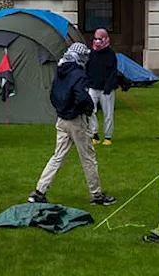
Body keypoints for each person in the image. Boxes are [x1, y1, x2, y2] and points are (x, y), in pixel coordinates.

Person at [28, 42, 117, 206]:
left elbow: (53, 94)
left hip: (62, 119)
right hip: (77, 121)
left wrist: (63, 109)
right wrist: (88, 109)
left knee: (57, 157)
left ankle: (39, 192)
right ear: (81, 57)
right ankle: (96, 195)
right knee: (88, 158)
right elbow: (82, 97)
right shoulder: (78, 74)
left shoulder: (60, 70)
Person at [86, 28, 127, 145]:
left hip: (106, 89)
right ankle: (94, 134)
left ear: (105, 39)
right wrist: (88, 83)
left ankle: (108, 136)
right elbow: (88, 68)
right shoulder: (92, 53)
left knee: (108, 113)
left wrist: (108, 86)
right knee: (90, 111)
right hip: (93, 86)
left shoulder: (110, 54)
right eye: (95, 38)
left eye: (100, 39)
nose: (97, 41)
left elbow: (112, 72)